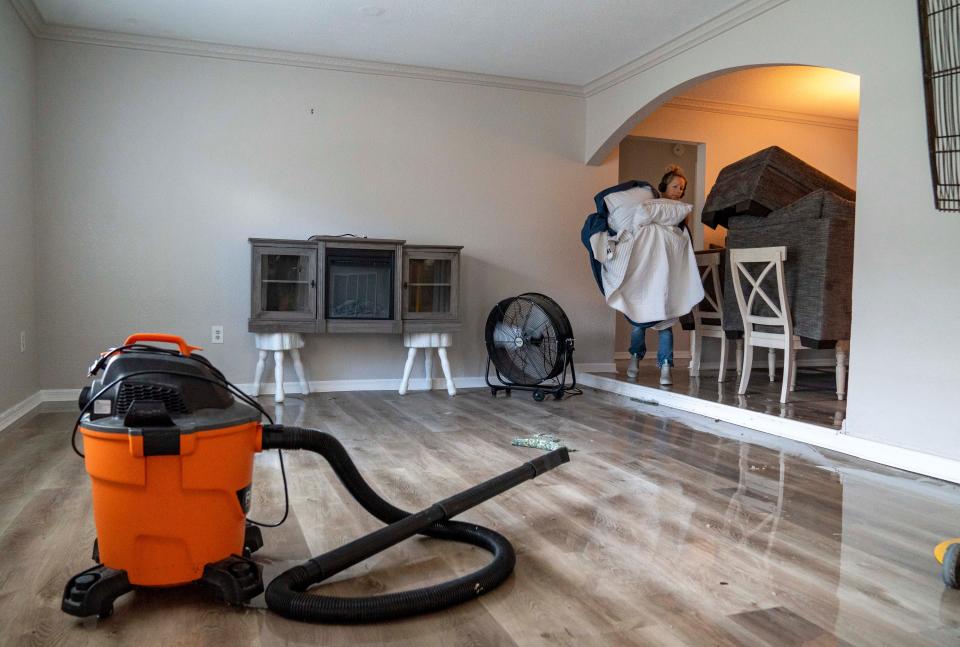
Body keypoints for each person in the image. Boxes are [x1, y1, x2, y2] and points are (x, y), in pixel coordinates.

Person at [626, 164, 688, 386]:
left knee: (666, 322)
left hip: (667, 273)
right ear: (664, 186)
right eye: (675, 186)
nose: (679, 191)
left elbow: (682, 241)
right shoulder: (652, 207)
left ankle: (665, 366)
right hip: (647, 270)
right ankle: (634, 358)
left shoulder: (680, 213)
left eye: (682, 188)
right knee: (639, 320)